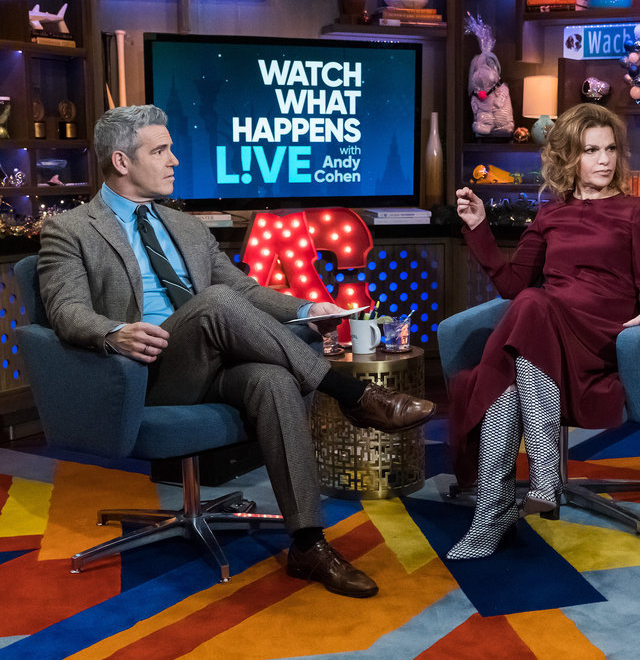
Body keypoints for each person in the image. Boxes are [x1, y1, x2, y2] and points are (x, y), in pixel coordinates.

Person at [37, 105, 436, 598]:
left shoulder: (185, 226)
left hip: (214, 359)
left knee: (270, 379)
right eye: (159, 151)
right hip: (147, 370)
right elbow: (65, 310)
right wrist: (114, 331)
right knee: (213, 304)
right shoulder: (72, 229)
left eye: (171, 149)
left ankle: (308, 546)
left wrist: (309, 305)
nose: (175, 161)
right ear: (121, 161)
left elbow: (244, 292)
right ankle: (350, 392)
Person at [446, 102, 640, 560]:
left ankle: (534, 482)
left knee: (527, 320)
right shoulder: (551, 215)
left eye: (610, 149)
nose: (605, 160)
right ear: (569, 158)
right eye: (592, 150)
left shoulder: (637, 212)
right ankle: (495, 515)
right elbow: (513, 284)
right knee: (523, 331)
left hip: (599, 335)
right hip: (546, 334)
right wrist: (478, 228)